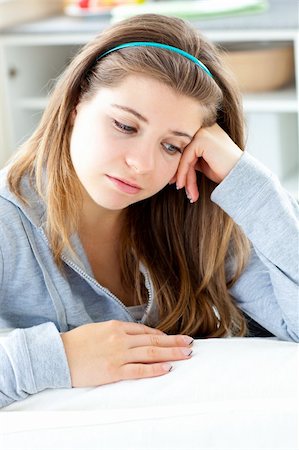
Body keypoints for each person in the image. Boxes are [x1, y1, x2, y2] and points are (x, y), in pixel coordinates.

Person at [0, 13, 298, 409]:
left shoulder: (197, 213)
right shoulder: (8, 224)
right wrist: (60, 357)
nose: (142, 164)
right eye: (125, 126)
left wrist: (251, 183)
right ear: (75, 106)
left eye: (172, 146)